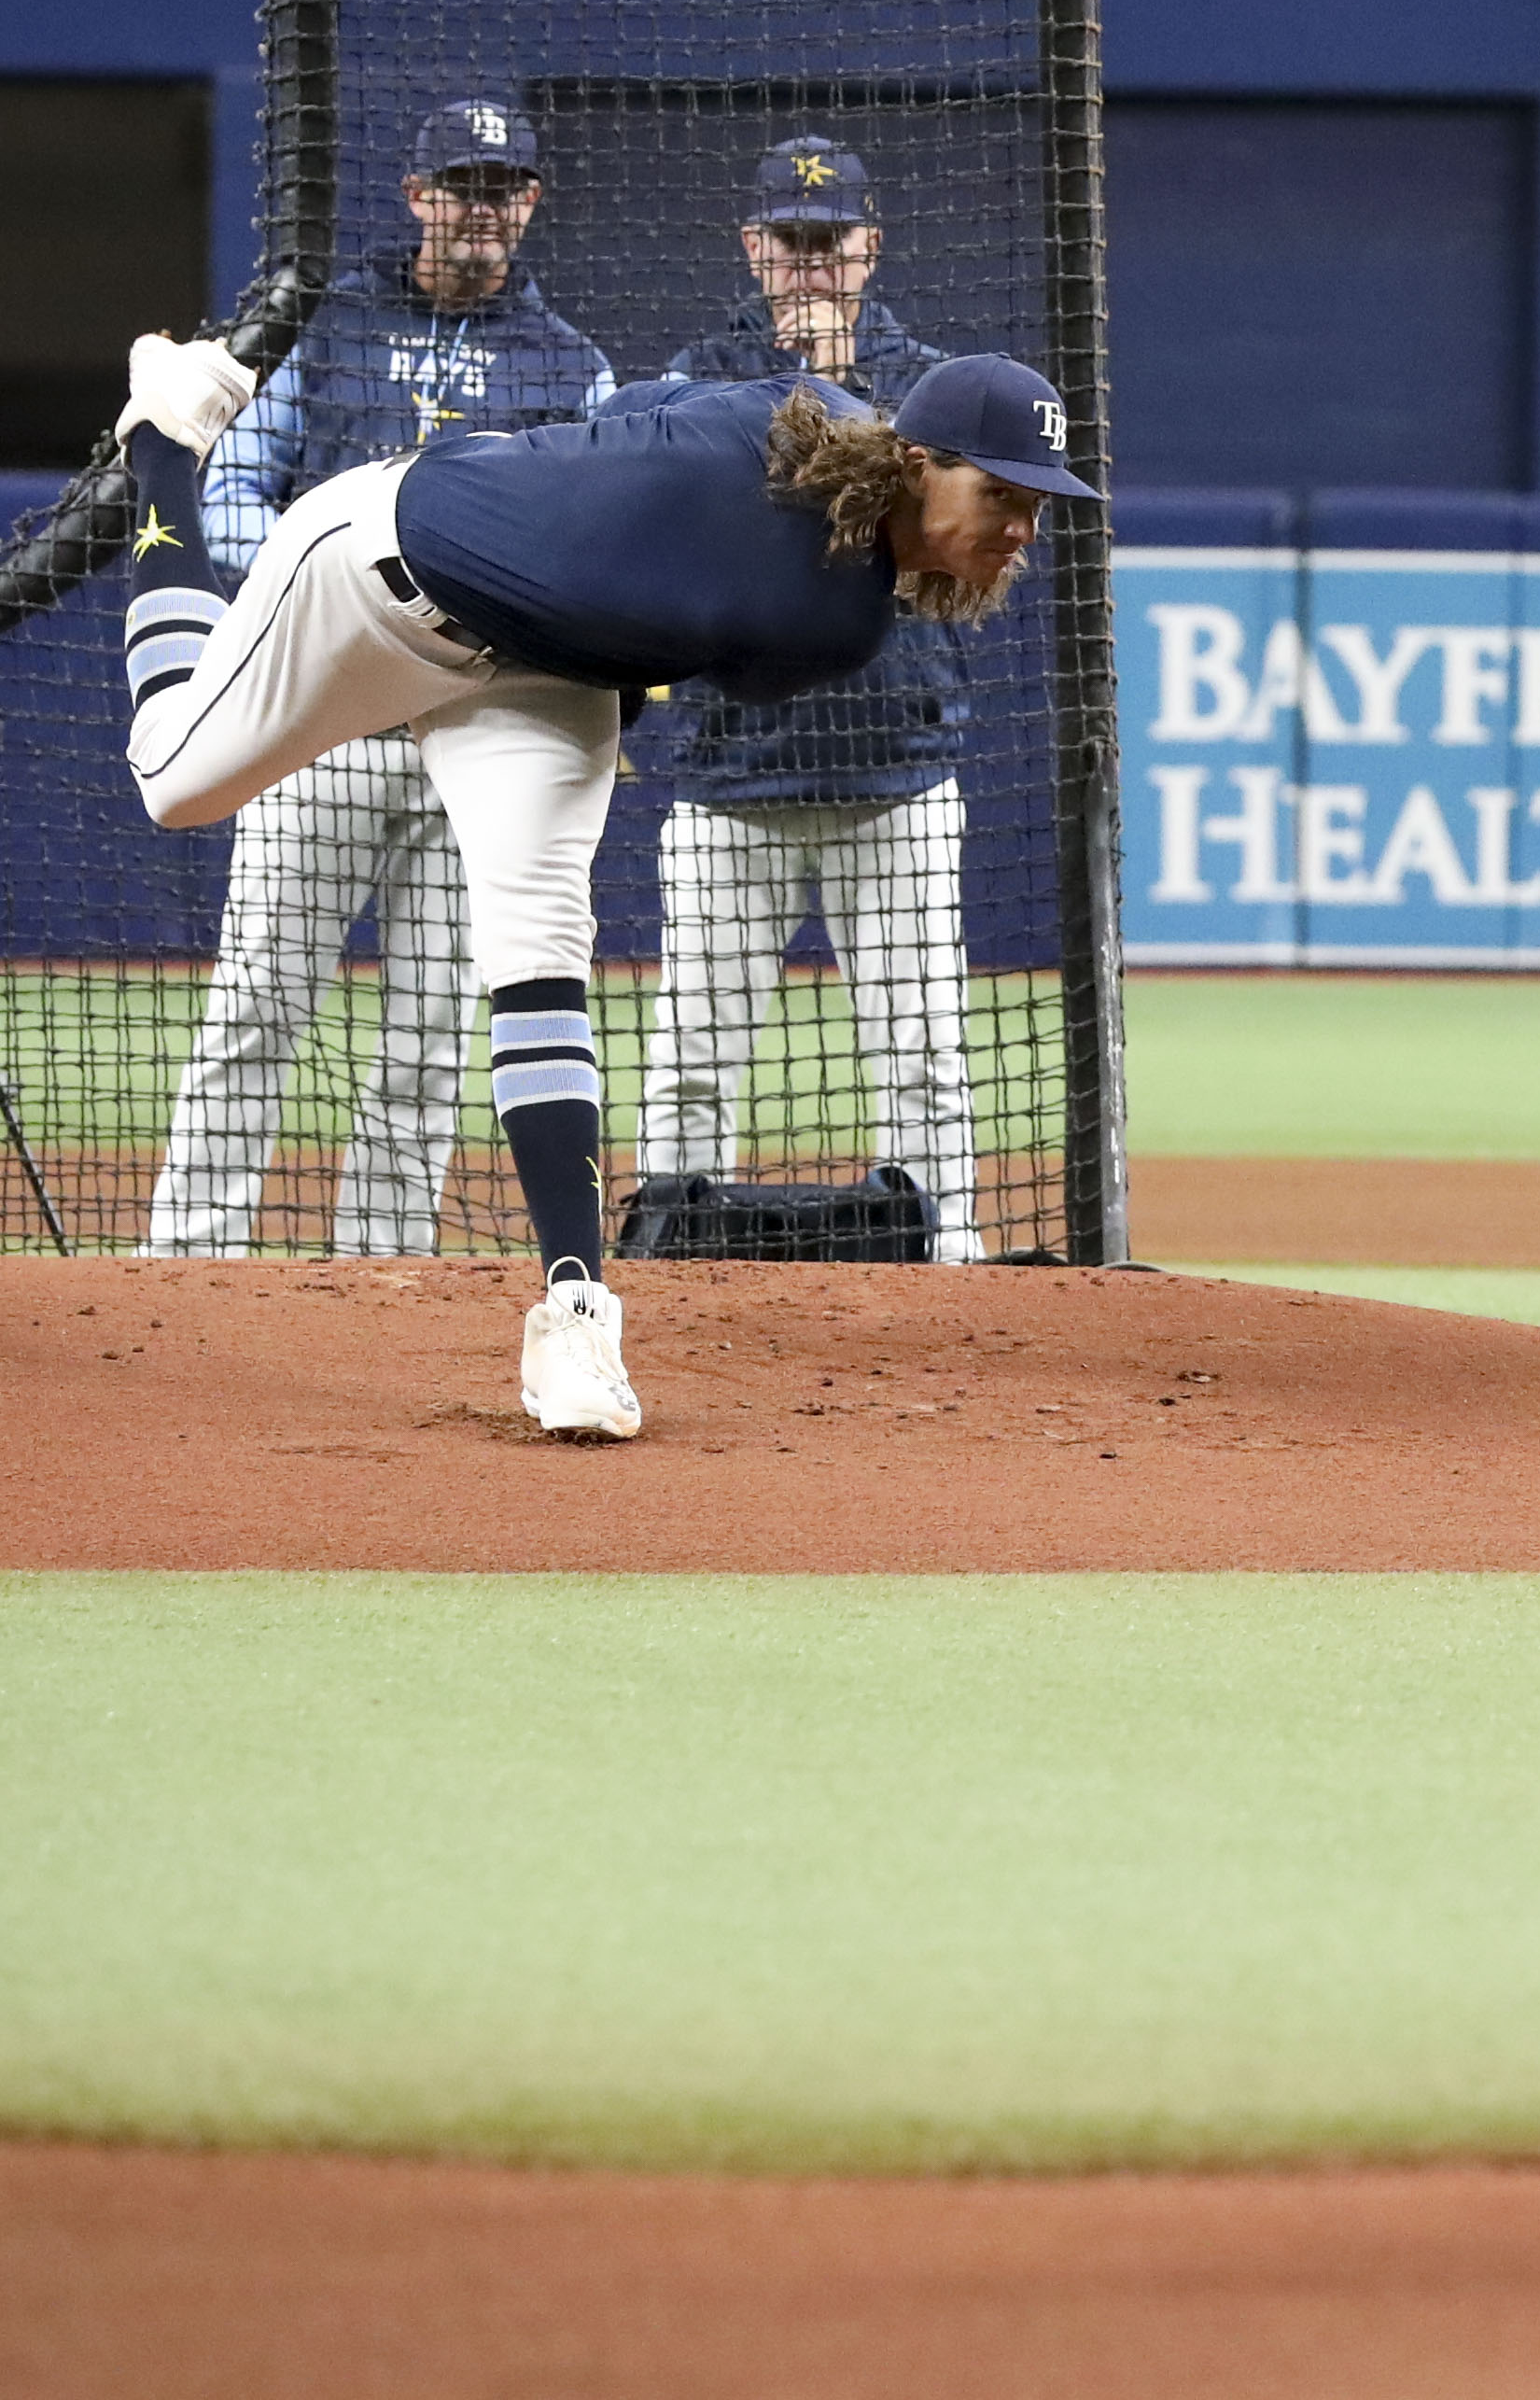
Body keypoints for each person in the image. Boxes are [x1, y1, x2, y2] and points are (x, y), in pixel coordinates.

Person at [111, 331, 1098, 1441]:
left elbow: (639, 408)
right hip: (375, 567)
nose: (1021, 529)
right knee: (170, 777)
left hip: (537, 676)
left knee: (538, 954)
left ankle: (577, 1309)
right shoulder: (836, 619)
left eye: (1039, 505)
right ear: (918, 458)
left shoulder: (797, 418)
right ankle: (164, 438)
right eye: (1001, 491)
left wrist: (583, 485)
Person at [143, 101, 614, 1259]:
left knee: (428, 1045)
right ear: (415, 195)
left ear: (532, 204)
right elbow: (230, 491)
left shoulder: (571, 366)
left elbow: (600, 540)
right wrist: (344, 590)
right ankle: (184, 1266)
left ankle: (383, 1282)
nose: (482, 207)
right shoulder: (330, 325)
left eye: (504, 186)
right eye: (460, 183)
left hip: (476, 740)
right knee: (257, 1002)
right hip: (326, 730)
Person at [631, 136, 985, 1254]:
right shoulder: (695, 378)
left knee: (924, 1056)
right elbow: (679, 529)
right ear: (754, 249)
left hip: (896, 771)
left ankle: (951, 1267)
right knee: (691, 1057)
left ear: (871, 248)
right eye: (790, 244)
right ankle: (668, 1263)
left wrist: (852, 397)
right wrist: (793, 395)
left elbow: (967, 550)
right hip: (733, 770)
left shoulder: (936, 386)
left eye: (831, 245)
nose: (811, 267)